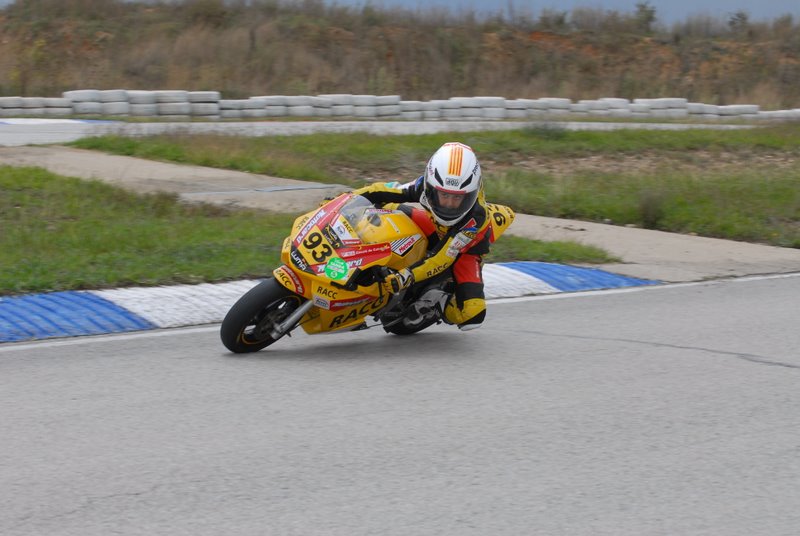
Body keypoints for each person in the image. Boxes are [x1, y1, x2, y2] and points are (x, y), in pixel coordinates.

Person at [351, 141, 493, 331]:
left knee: (472, 314)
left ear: (470, 194)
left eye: (457, 197)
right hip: (432, 225)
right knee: (385, 208)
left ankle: (438, 301)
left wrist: (406, 276)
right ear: (431, 186)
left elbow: (443, 258)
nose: (449, 204)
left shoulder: (476, 217)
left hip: (463, 251)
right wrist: (347, 199)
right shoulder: (425, 186)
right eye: (444, 195)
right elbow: (385, 190)